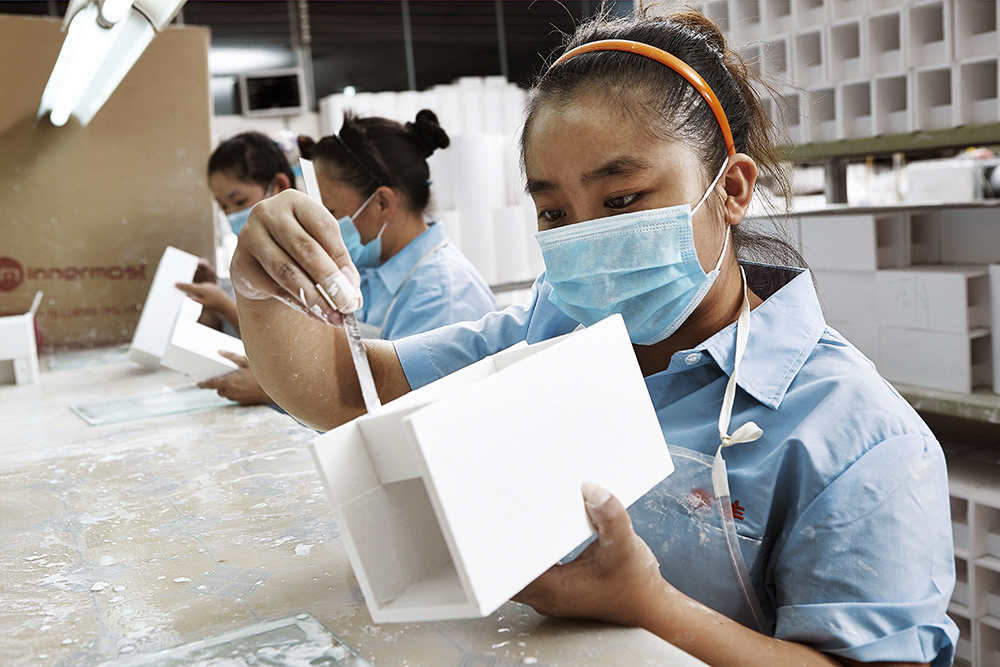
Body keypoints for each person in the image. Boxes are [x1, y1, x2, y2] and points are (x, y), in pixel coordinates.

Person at [228, 10, 957, 667]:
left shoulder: (858, 438)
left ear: (731, 189)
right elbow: (349, 392)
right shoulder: (554, 334)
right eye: (554, 214)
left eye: (622, 200)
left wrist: (650, 606)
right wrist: (260, 280)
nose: (589, 240)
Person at [310, 109, 498, 339]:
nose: (324, 225)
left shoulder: (441, 299)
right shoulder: (370, 272)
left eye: (331, 212)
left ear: (381, 203)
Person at [177, 131, 302, 404]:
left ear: (278, 186)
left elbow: (293, 347)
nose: (232, 215)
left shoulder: (305, 253)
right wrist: (211, 301)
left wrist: (222, 303)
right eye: (223, 206)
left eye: (240, 202)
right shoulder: (250, 256)